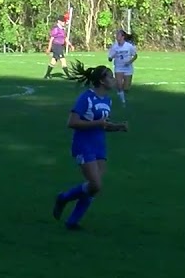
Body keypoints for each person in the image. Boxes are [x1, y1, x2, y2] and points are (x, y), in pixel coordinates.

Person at [52, 61, 128, 230]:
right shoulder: (86, 98)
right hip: (83, 144)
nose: (114, 79)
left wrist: (118, 127)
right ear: (102, 80)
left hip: (99, 146)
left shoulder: (107, 100)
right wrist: (97, 123)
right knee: (95, 185)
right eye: (110, 76)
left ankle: (72, 222)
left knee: (93, 188)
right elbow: (71, 122)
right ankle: (63, 198)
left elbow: (102, 125)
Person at [106, 29, 137, 104]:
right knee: (119, 85)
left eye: (118, 35)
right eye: (116, 35)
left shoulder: (129, 46)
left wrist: (129, 62)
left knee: (126, 88)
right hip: (118, 67)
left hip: (128, 68)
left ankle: (121, 93)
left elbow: (135, 56)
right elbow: (110, 58)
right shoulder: (114, 46)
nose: (116, 36)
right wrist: (111, 57)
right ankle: (123, 101)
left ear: (123, 37)